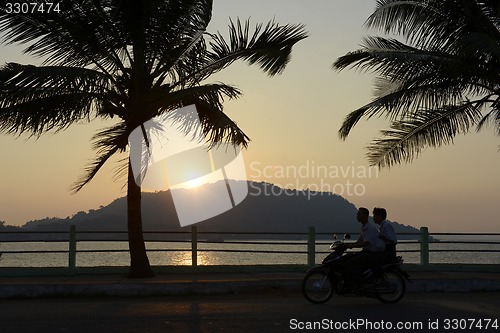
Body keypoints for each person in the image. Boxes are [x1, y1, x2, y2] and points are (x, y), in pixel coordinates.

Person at [341, 207, 385, 289]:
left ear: (365, 216)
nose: (357, 216)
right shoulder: (363, 228)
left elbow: (365, 243)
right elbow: (359, 242)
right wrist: (347, 245)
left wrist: (351, 246)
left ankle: (359, 282)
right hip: (366, 252)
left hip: (370, 253)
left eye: (359, 214)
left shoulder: (370, 229)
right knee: (346, 258)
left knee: (350, 263)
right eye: (357, 214)